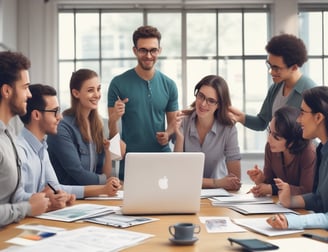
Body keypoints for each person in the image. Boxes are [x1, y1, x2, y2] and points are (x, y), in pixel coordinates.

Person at [17, 84, 121, 210]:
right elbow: (14, 198)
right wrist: (47, 198)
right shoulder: (18, 151)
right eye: (55, 111)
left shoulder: (41, 149)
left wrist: (63, 196)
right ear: (37, 115)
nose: (60, 117)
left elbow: (57, 188)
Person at [107, 25, 179, 180]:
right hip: (132, 160)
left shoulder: (170, 85)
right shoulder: (118, 84)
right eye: (143, 50)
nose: (148, 55)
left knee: (168, 204)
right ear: (135, 51)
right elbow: (113, 136)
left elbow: (173, 123)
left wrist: (167, 134)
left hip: (162, 157)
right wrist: (114, 117)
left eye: (153, 50)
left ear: (159, 50)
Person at [267, 86, 328, 230]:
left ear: (318, 117)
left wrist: (293, 222)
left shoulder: (315, 150)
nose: (298, 120)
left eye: (302, 113)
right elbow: (319, 199)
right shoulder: (322, 150)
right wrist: (290, 201)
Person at [47, 69, 121, 185]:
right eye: (90, 90)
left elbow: (101, 171)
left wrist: (108, 180)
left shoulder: (96, 125)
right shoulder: (62, 127)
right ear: (76, 93)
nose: (97, 95)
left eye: (98, 89)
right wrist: (106, 182)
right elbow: (77, 173)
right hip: (71, 198)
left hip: (92, 196)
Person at [0, 51, 49, 226]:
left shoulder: (9, 134)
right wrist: (27, 208)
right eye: (25, 87)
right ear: (7, 91)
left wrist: (41, 199)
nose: (29, 94)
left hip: (12, 230)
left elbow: (12, 196)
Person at [229, 34, 316, 131]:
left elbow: (314, 131)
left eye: (276, 68)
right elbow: (262, 123)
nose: (271, 72)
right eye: (269, 65)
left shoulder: (311, 91)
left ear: (294, 67)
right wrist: (240, 117)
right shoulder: (275, 87)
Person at [174, 75, 241, 190]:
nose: (203, 104)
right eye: (201, 96)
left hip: (219, 196)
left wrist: (217, 184)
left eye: (211, 100)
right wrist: (216, 182)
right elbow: (176, 176)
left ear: (219, 105)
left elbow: (235, 181)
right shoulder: (183, 122)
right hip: (186, 192)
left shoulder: (229, 129)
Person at [248, 106, 315, 197]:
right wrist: (261, 179)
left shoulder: (308, 153)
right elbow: (269, 182)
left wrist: (272, 189)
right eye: (269, 132)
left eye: (276, 137)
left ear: (291, 142)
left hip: (302, 208)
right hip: (279, 205)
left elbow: (307, 191)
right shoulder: (270, 148)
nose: (269, 139)